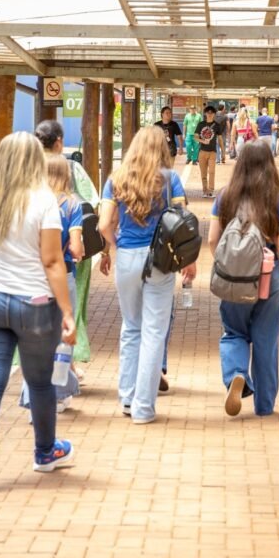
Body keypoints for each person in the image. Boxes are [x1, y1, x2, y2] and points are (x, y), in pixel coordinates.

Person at [0, 132, 77, 494]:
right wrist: (67, 312)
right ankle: (45, 453)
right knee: (40, 382)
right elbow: (51, 260)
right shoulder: (44, 199)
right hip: (34, 304)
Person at [98, 126, 196, 424]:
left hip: (127, 257)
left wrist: (117, 247)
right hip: (160, 260)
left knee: (131, 328)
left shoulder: (116, 178)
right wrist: (187, 261)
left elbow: (103, 225)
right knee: (154, 332)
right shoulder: (170, 180)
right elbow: (183, 223)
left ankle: (127, 398)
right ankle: (143, 407)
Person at [208, 140, 279, 417]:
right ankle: (265, 406)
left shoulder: (225, 197)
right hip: (269, 276)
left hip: (235, 277)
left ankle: (236, 374)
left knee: (234, 332)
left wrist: (223, 264)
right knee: (266, 341)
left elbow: (212, 239)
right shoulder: (277, 201)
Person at [19, 155, 83, 413]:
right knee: (63, 336)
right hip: (64, 273)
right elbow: (77, 248)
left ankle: (31, 394)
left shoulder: (28, 203)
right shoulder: (72, 205)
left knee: (33, 339)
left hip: (33, 277)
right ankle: (59, 393)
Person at [35, 120, 98, 369]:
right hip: (65, 265)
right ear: (59, 142)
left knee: (37, 329)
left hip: (30, 271)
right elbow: (93, 202)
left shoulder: (26, 174)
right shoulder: (71, 176)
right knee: (68, 316)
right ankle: (64, 376)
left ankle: (38, 383)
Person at [195, 104, 223, 198]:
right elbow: (195, 137)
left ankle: (210, 190)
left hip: (212, 152)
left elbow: (220, 139)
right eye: (208, 112)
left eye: (212, 113)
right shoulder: (201, 124)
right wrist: (202, 141)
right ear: (205, 114)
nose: (210, 114)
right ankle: (204, 190)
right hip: (202, 151)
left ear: (214, 114)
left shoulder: (217, 125)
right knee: (203, 173)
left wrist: (223, 152)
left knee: (211, 171)